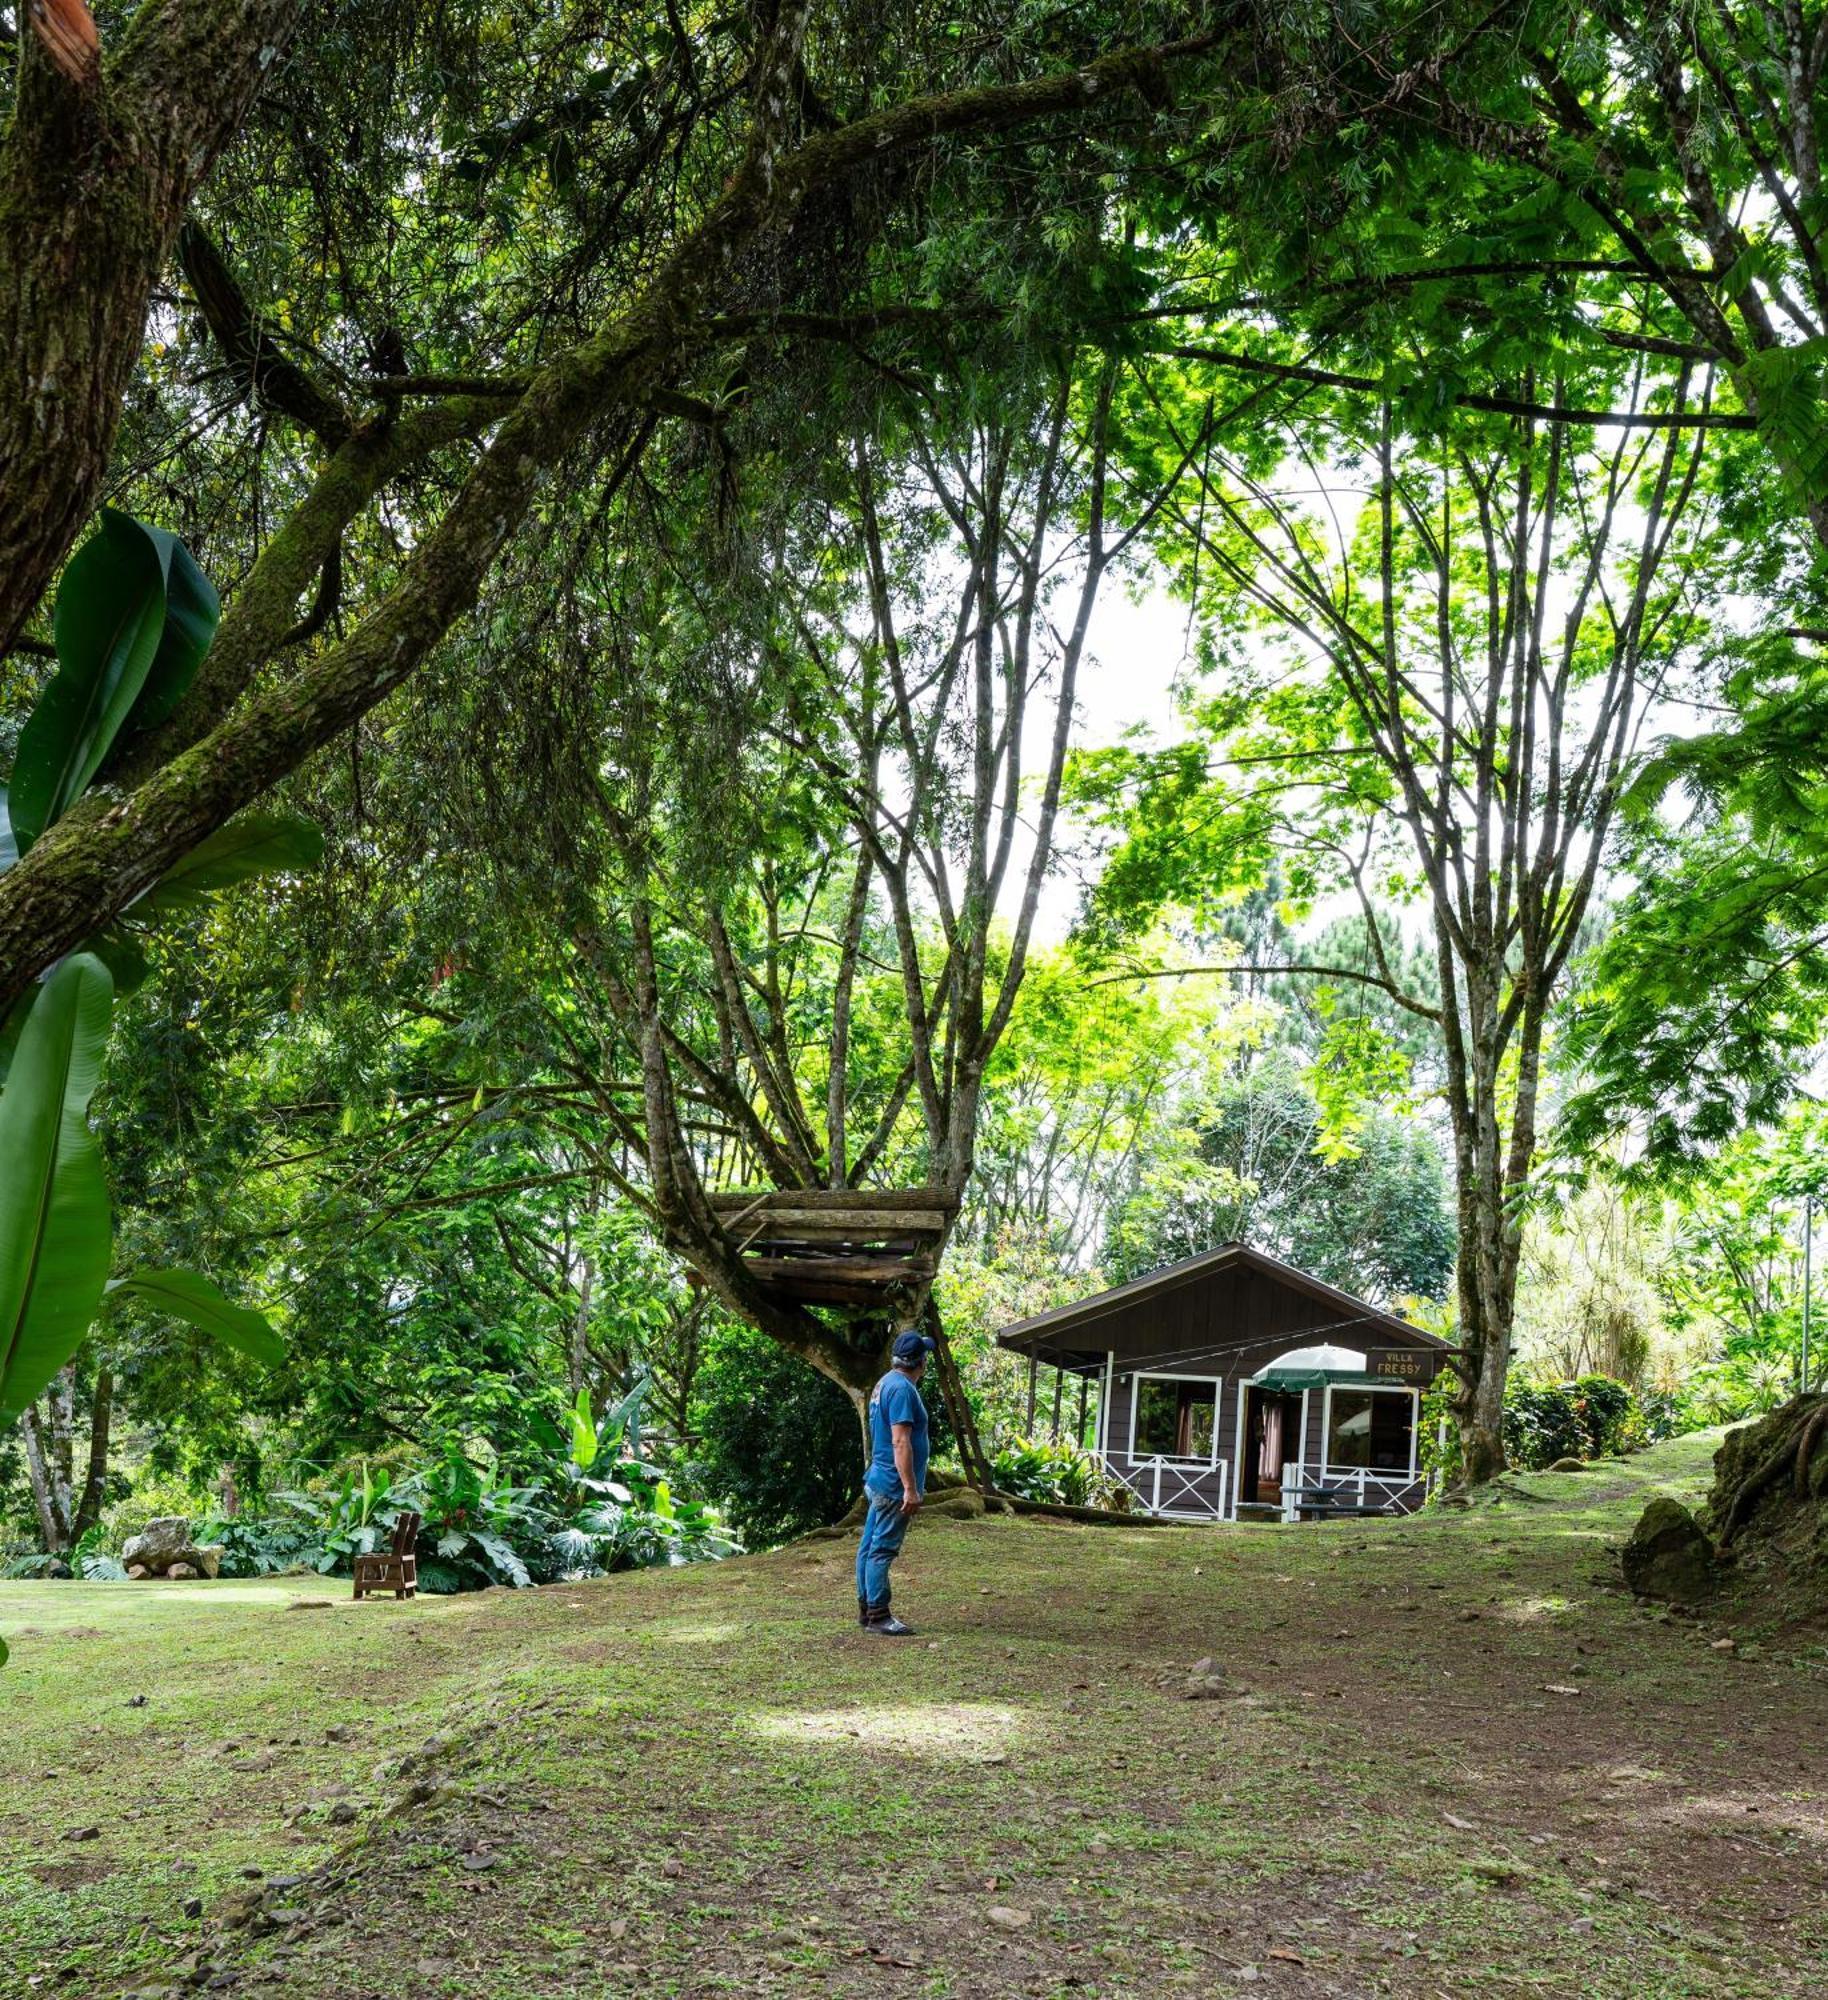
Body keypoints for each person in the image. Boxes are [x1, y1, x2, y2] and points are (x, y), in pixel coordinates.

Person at [855, 1328, 933, 1636]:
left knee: (868, 1546)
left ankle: (867, 1610)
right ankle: (878, 1614)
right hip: (891, 1483)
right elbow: (900, 1441)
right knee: (881, 1550)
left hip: (879, 1476)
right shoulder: (901, 1389)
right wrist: (910, 1489)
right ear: (920, 1362)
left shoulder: (885, 1382)